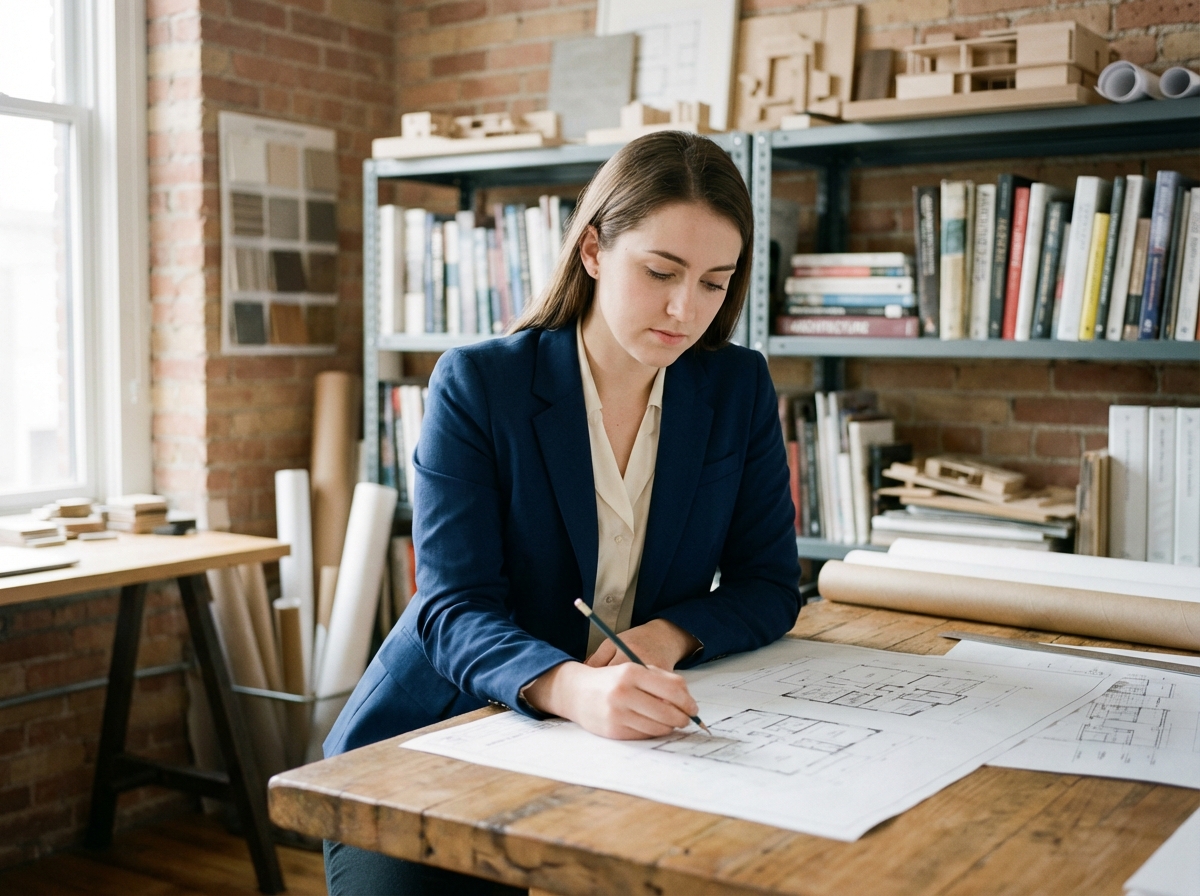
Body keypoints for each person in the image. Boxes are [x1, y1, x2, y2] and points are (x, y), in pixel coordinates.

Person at [323, 131, 802, 895]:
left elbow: (772, 583)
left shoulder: (735, 386)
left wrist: (666, 635)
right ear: (591, 252)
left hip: (627, 740)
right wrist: (571, 688)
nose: (687, 309)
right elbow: (451, 608)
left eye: (716, 282)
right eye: (660, 272)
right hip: (444, 731)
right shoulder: (479, 384)